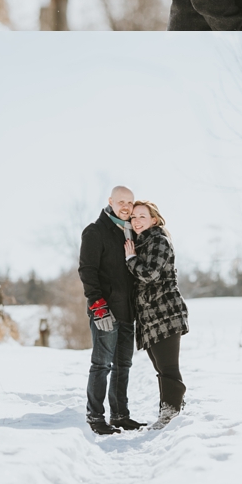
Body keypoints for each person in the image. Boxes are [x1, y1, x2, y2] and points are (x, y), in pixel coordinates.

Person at [77, 186, 146, 435]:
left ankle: (120, 415)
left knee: (122, 366)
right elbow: (87, 271)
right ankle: (95, 417)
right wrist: (97, 306)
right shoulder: (95, 231)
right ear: (110, 202)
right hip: (105, 310)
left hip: (127, 310)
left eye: (130, 202)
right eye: (121, 202)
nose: (126, 206)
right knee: (101, 365)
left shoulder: (130, 232)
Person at [124, 199, 190, 430]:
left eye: (142, 216)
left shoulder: (159, 241)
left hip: (165, 313)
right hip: (150, 317)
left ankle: (171, 411)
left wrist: (131, 260)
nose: (137, 220)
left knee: (168, 367)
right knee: (161, 368)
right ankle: (173, 407)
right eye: (133, 217)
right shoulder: (141, 244)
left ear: (154, 219)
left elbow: (150, 274)